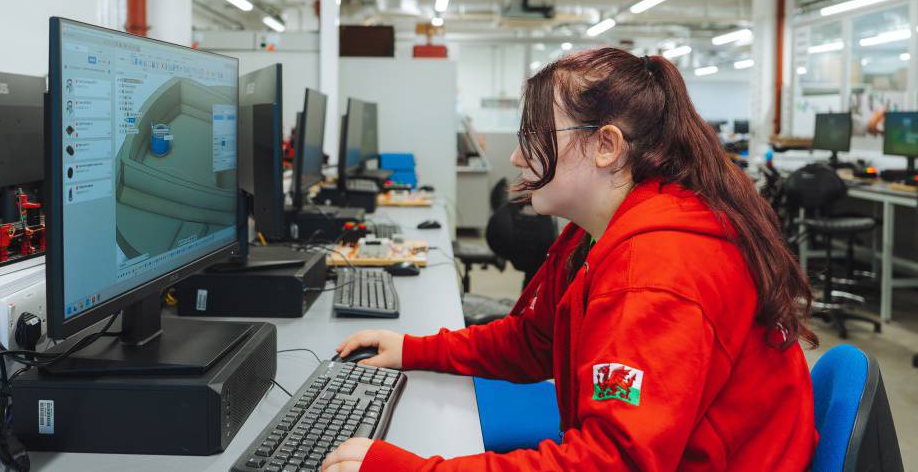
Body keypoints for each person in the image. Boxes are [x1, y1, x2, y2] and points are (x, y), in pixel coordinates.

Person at [321, 48, 818, 471]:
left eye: (536, 136)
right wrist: (412, 349)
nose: (518, 158)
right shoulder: (597, 233)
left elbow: (610, 463)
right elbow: (534, 341)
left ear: (606, 146)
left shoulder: (654, 269)